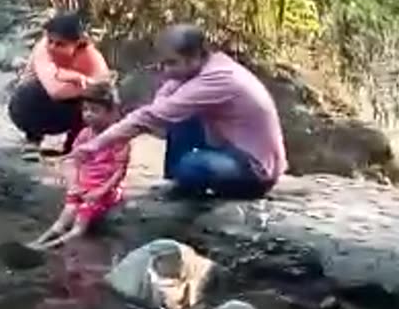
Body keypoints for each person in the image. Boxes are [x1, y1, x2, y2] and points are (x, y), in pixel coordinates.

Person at [71, 23, 285, 199]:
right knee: (179, 117)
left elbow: (150, 116)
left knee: (190, 167)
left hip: (255, 169)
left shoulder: (218, 79)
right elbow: (163, 103)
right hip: (230, 149)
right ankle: (177, 183)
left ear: (194, 57)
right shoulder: (200, 68)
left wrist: (97, 144)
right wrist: (167, 93)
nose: (166, 70)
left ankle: (184, 183)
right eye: (163, 64)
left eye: (171, 63)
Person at [27, 82, 130, 250]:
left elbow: (120, 171)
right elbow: (74, 161)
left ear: (113, 113)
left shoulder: (119, 139)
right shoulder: (84, 134)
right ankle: (39, 242)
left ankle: (50, 247)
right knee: (65, 216)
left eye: (95, 110)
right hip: (84, 185)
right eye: (85, 110)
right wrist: (74, 184)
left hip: (103, 190)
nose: (88, 115)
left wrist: (101, 191)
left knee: (79, 226)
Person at [8, 11, 110, 160]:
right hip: (30, 106)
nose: (53, 47)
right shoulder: (42, 49)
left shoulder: (91, 57)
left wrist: (90, 90)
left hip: (70, 111)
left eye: (61, 44)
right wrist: (87, 86)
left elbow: (105, 89)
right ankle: (34, 138)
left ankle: (74, 145)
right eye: (50, 41)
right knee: (32, 92)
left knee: (97, 105)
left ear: (78, 43)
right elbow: (54, 90)